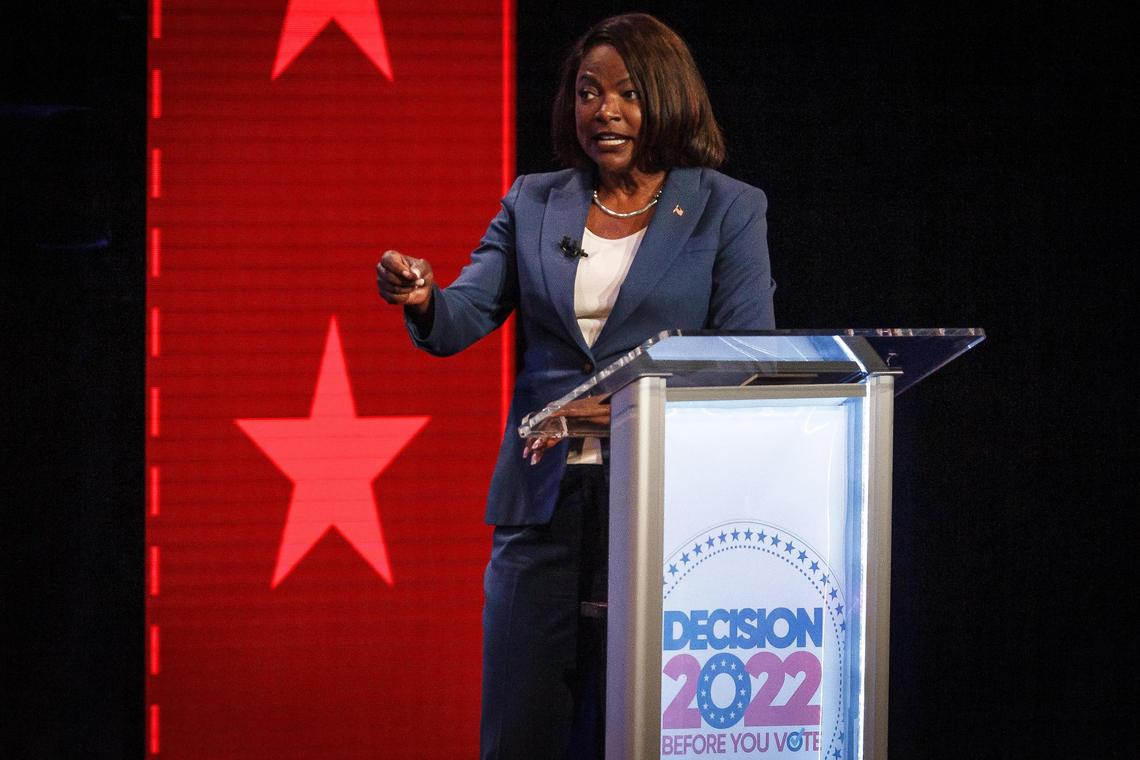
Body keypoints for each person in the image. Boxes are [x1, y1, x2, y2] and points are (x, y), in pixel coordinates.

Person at [376, 13, 775, 759]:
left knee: (649, 732)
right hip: (544, 507)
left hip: (667, 511)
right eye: (589, 93)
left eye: (628, 92)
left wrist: (625, 406)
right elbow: (463, 315)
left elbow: (739, 359)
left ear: (668, 98)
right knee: (522, 731)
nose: (606, 110)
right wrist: (425, 297)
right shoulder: (534, 201)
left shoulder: (726, 208)